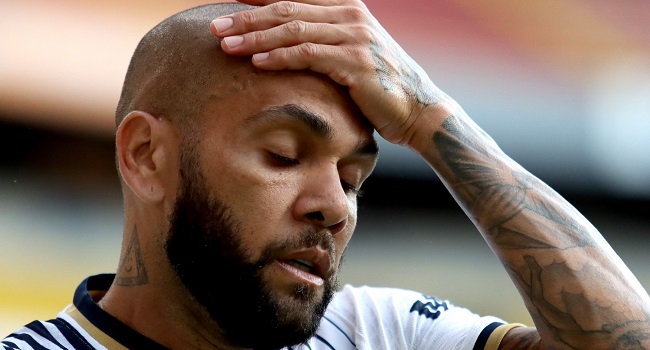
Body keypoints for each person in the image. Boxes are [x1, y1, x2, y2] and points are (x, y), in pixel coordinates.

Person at [3, 0, 649, 349]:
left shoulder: (384, 334)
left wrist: (430, 118)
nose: (334, 209)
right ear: (147, 156)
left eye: (353, 180)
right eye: (284, 155)